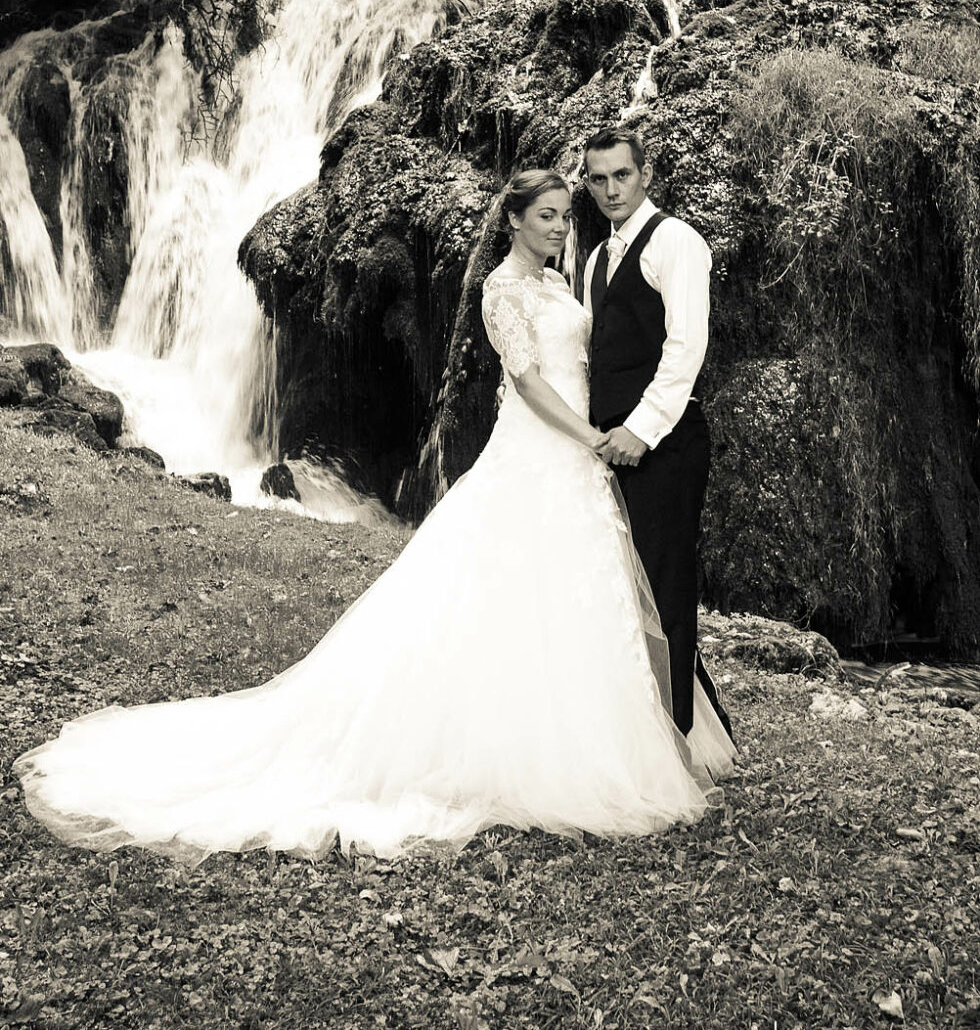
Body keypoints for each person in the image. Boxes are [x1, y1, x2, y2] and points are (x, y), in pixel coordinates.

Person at [15, 170, 733, 865]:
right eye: (544, 215)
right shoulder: (501, 289)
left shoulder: (559, 280)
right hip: (547, 448)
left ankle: (598, 736)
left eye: (561, 215)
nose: (558, 225)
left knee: (575, 594)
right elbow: (527, 380)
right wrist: (589, 437)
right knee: (504, 588)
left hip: (580, 460)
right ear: (512, 220)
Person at [582, 126, 734, 743]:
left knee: (668, 587)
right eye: (598, 179)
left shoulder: (676, 240)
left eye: (622, 175)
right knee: (629, 589)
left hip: (664, 445)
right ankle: (683, 724)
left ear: (645, 174)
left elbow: (685, 347)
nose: (612, 189)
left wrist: (640, 432)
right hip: (607, 448)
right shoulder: (594, 258)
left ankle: (678, 738)